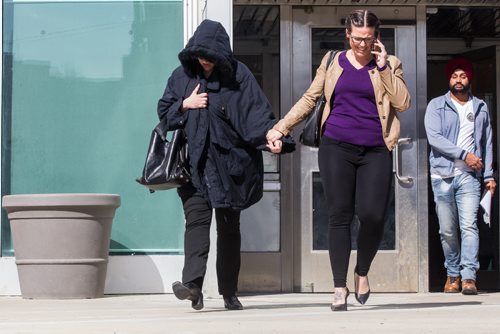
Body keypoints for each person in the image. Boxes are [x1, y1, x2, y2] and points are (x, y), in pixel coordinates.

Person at [266, 9, 410, 311]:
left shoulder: (390, 64)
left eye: (369, 39)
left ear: (376, 37)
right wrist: (281, 126)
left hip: (375, 149)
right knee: (339, 215)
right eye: (358, 38)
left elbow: (403, 103)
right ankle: (339, 287)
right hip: (337, 147)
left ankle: (361, 271)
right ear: (348, 34)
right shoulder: (333, 62)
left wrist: (383, 68)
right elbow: (309, 98)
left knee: (373, 216)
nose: (363, 45)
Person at [157, 19, 288, 311]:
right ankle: (192, 287)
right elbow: (164, 113)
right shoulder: (181, 76)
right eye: (199, 53)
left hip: (230, 167)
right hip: (193, 166)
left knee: (229, 230)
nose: (203, 59)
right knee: (197, 224)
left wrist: (274, 139)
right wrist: (184, 105)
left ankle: (229, 292)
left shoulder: (238, 76)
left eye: (209, 54)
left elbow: (257, 114)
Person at [425, 58, 496, 295]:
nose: (458, 80)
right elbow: (434, 137)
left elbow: (487, 141)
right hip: (442, 175)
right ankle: (452, 274)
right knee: (447, 229)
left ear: (469, 79)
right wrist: (464, 154)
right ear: (449, 79)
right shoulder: (436, 105)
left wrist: (488, 175)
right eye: (454, 76)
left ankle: (468, 277)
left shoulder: (480, 107)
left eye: (463, 76)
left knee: (469, 226)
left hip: (469, 177)